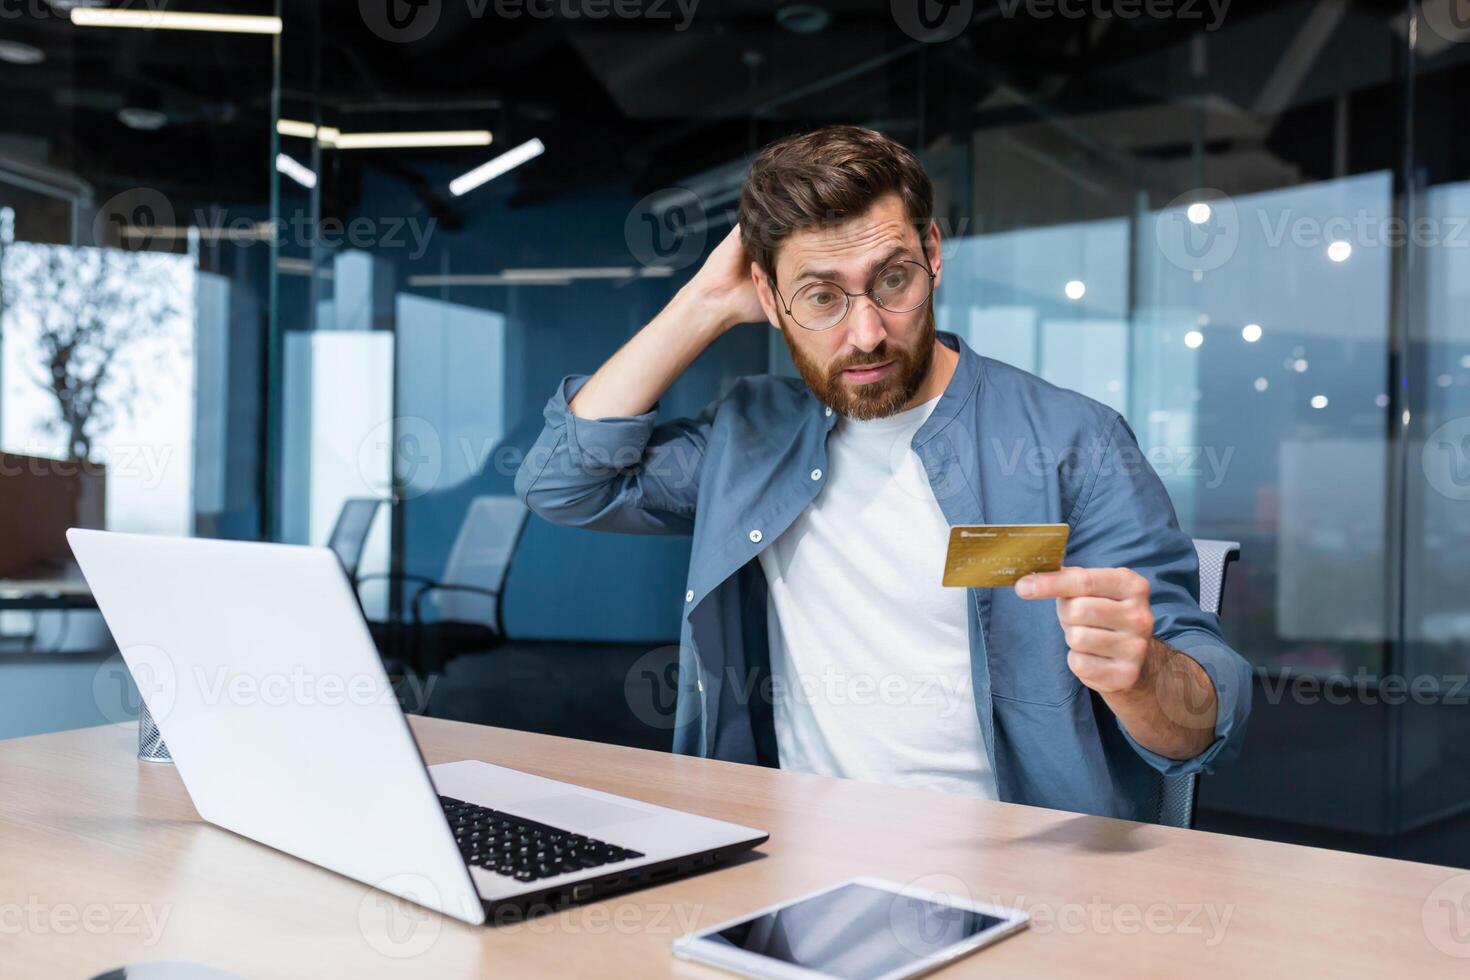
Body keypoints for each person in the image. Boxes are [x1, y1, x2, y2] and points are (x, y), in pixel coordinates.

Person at [515, 125, 1251, 821]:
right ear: (769, 298)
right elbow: (562, 483)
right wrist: (701, 305)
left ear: (932, 252)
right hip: (791, 853)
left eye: (892, 280)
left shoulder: (1072, 442)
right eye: (821, 297)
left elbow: (1204, 725)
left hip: (1021, 865)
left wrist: (1145, 675)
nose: (866, 331)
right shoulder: (749, 439)